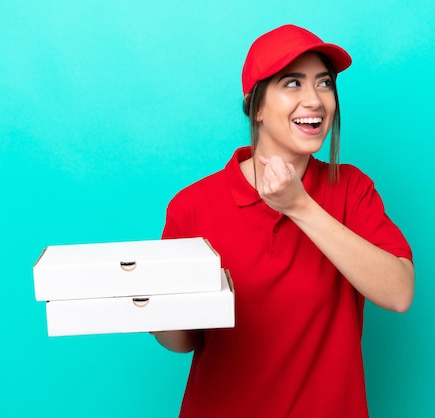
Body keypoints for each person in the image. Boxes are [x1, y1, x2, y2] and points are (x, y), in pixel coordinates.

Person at [155, 24, 414, 418]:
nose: (314, 100)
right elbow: (182, 341)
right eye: (292, 83)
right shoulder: (193, 206)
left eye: (324, 83)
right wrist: (151, 306)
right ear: (256, 107)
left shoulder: (351, 190)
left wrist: (300, 206)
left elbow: (399, 293)